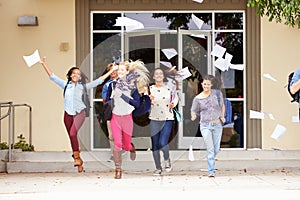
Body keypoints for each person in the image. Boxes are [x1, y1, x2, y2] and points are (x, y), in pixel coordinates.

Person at [39, 57, 118, 172]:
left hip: (79, 113)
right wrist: (43, 64)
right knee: (72, 137)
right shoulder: (65, 85)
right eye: (74, 73)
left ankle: (76, 158)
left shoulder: (83, 87)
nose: (76, 75)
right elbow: (52, 76)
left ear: (80, 77)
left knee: (72, 133)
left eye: (78, 74)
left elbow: (99, 81)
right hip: (67, 114)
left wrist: (111, 71)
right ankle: (78, 159)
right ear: (70, 75)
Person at [105, 61, 140, 179]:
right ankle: (118, 169)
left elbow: (137, 103)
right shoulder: (112, 85)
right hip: (115, 117)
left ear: (127, 72)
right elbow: (107, 101)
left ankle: (131, 146)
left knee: (126, 145)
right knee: (117, 143)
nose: (119, 72)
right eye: (118, 70)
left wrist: (123, 96)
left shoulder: (132, 86)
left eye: (122, 70)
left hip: (127, 117)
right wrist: (111, 98)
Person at [190, 74, 225, 178]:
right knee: (210, 148)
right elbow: (193, 110)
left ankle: (210, 160)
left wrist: (222, 116)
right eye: (204, 84)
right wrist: (193, 116)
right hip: (205, 125)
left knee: (216, 149)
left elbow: (222, 105)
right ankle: (211, 171)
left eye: (208, 84)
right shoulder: (198, 98)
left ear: (211, 85)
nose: (206, 86)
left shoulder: (217, 94)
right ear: (202, 84)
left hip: (217, 124)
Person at [148, 68, 178, 176]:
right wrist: (148, 99)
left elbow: (175, 98)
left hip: (167, 118)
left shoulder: (169, 88)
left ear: (163, 76)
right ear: (153, 77)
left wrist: (173, 104)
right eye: (156, 74)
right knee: (155, 145)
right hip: (154, 119)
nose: (159, 75)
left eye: (161, 73)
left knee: (162, 142)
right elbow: (145, 102)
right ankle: (158, 168)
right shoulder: (150, 89)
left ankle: (167, 159)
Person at [101, 63, 118, 162]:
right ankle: (114, 154)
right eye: (111, 70)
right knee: (111, 136)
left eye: (115, 70)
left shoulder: (124, 82)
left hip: (122, 112)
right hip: (111, 112)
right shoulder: (107, 85)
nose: (113, 72)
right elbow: (104, 100)